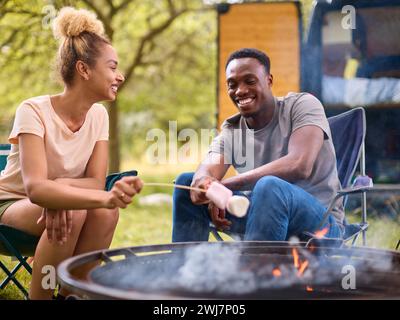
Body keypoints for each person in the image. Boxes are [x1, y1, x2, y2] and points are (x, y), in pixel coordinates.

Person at [0, 7, 143, 300]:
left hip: (56, 207)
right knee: (77, 208)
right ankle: (40, 297)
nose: (120, 76)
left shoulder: (99, 117)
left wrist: (61, 190)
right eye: (113, 67)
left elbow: (94, 181)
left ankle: (71, 294)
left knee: (106, 214)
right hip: (11, 205)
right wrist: (60, 195)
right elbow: (36, 188)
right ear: (84, 69)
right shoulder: (33, 110)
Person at [172, 48, 344, 243]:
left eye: (250, 81)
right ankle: (185, 270)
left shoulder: (302, 105)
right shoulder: (232, 130)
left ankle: (255, 271)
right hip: (261, 216)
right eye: (232, 84)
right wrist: (204, 185)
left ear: (269, 80)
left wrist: (225, 185)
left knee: (269, 186)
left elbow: (300, 164)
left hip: (319, 223)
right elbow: (207, 170)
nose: (240, 90)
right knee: (186, 182)